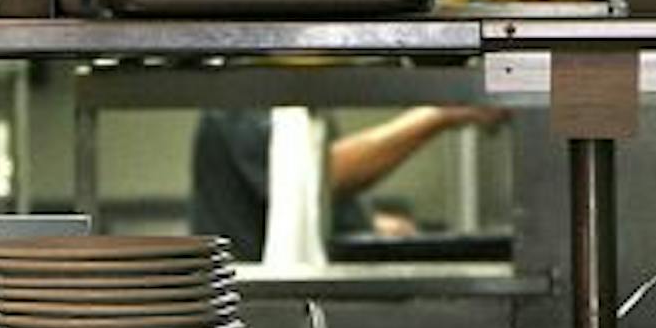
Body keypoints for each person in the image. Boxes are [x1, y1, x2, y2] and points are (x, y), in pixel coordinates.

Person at [190, 105, 505, 261]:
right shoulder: (247, 98)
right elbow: (319, 174)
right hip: (252, 312)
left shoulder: (296, 102)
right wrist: (440, 114)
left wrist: (367, 221)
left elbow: (298, 204)